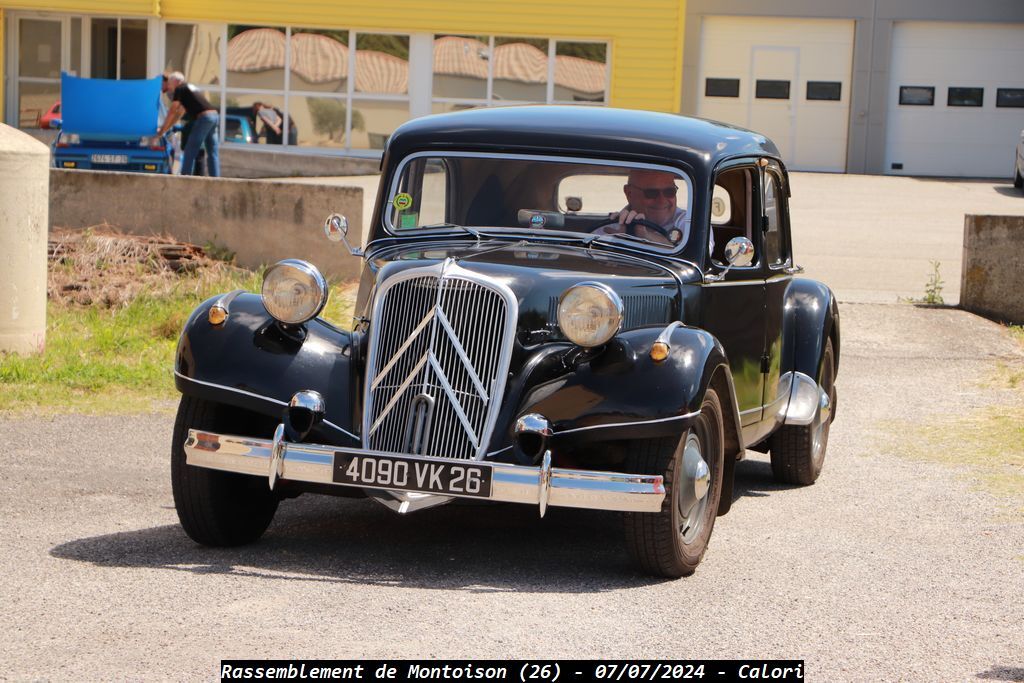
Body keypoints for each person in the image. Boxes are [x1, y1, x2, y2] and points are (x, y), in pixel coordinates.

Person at [597, 169, 690, 246]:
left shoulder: (687, 224)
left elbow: (690, 256)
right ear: (629, 193)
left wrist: (645, 236)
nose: (662, 200)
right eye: (651, 193)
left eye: (669, 192)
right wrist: (616, 244)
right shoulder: (609, 230)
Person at [157, 72, 220, 177]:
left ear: (175, 81)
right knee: (212, 152)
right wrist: (167, 127)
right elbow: (180, 112)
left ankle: (185, 176)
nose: (169, 86)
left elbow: (173, 110)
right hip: (214, 115)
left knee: (190, 149)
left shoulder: (180, 88)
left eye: (169, 83)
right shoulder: (189, 87)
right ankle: (216, 179)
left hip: (204, 118)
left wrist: (162, 129)